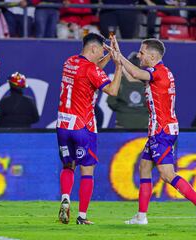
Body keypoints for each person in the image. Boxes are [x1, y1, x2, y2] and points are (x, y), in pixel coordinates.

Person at [111, 36, 196, 225]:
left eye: (141, 53)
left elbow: (134, 72)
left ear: (151, 56)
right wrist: (118, 57)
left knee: (167, 174)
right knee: (144, 167)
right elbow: (133, 74)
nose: (139, 56)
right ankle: (141, 217)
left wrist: (119, 56)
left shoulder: (158, 73)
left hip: (162, 131)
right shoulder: (161, 71)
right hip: (159, 129)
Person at [57, 33, 122, 225]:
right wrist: (118, 66)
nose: (103, 52)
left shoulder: (69, 62)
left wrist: (109, 56)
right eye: (102, 50)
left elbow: (92, 72)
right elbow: (112, 90)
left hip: (62, 124)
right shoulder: (90, 70)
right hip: (82, 126)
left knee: (68, 165)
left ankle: (65, 198)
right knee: (87, 170)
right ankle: (82, 216)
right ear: (93, 49)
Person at [107, 52, 148, 129]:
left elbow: (111, 102)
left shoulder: (119, 81)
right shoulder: (148, 82)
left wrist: (124, 109)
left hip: (123, 124)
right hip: (144, 126)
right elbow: (154, 104)